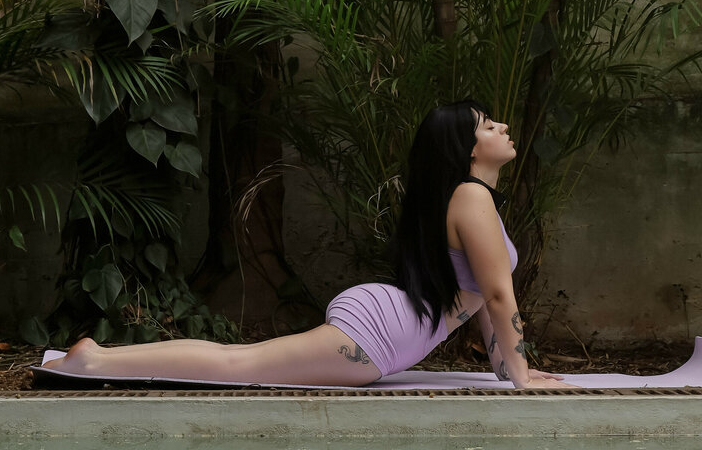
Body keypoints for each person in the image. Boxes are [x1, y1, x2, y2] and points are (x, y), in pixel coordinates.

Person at [41, 99, 572, 389]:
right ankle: (96, 361)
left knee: (241, 360)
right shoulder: (471, 198)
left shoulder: (469, 199)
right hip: (378, 336)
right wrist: (523, 379)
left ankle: (100, 359)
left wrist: (513, 370)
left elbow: (485, 304)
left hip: (383, 323)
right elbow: (497, 296)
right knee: (240, 366)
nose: (503, 127)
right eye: (488, 125)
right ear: (466, 149)